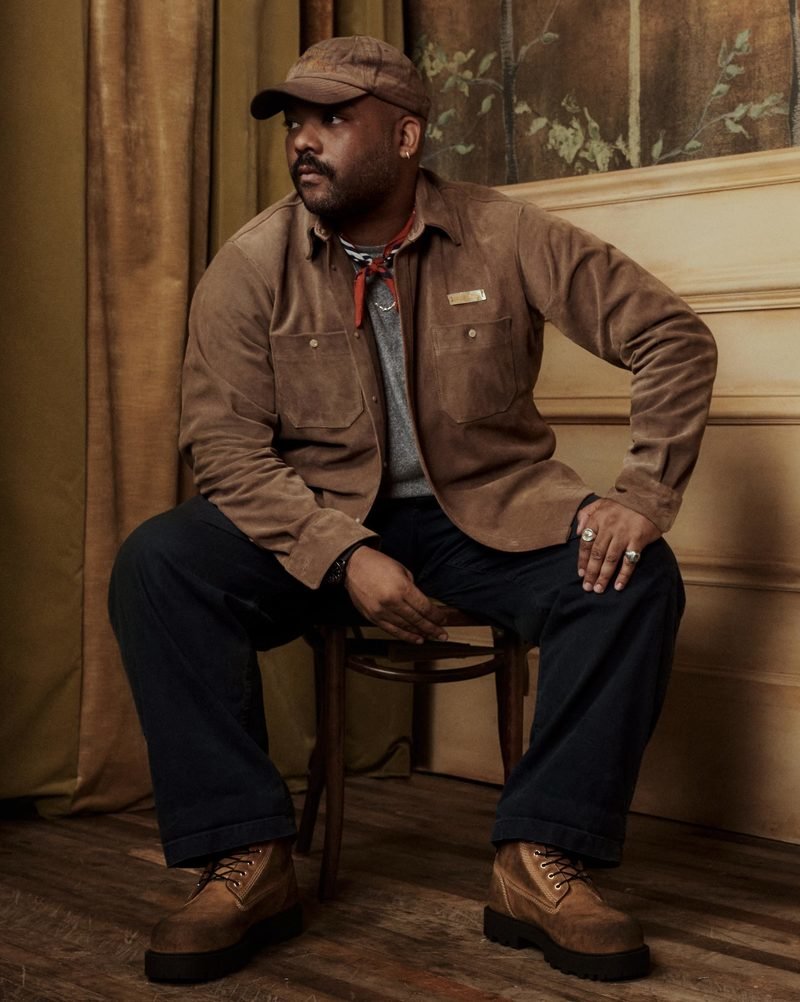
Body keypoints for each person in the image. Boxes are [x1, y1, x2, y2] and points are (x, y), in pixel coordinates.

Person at [109, 35, 717, 985]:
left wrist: (643, 494)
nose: (303, 141)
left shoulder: (507, 232)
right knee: (159, 562)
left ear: (405, 136)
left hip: (489, 515)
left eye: (331, 119)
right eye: (295, 122)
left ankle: (539, 858)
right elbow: (223, 448)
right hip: (315, 522)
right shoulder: (252, 262)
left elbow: (671, 337)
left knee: (634, 575)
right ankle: (246, 857)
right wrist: (340, 552)